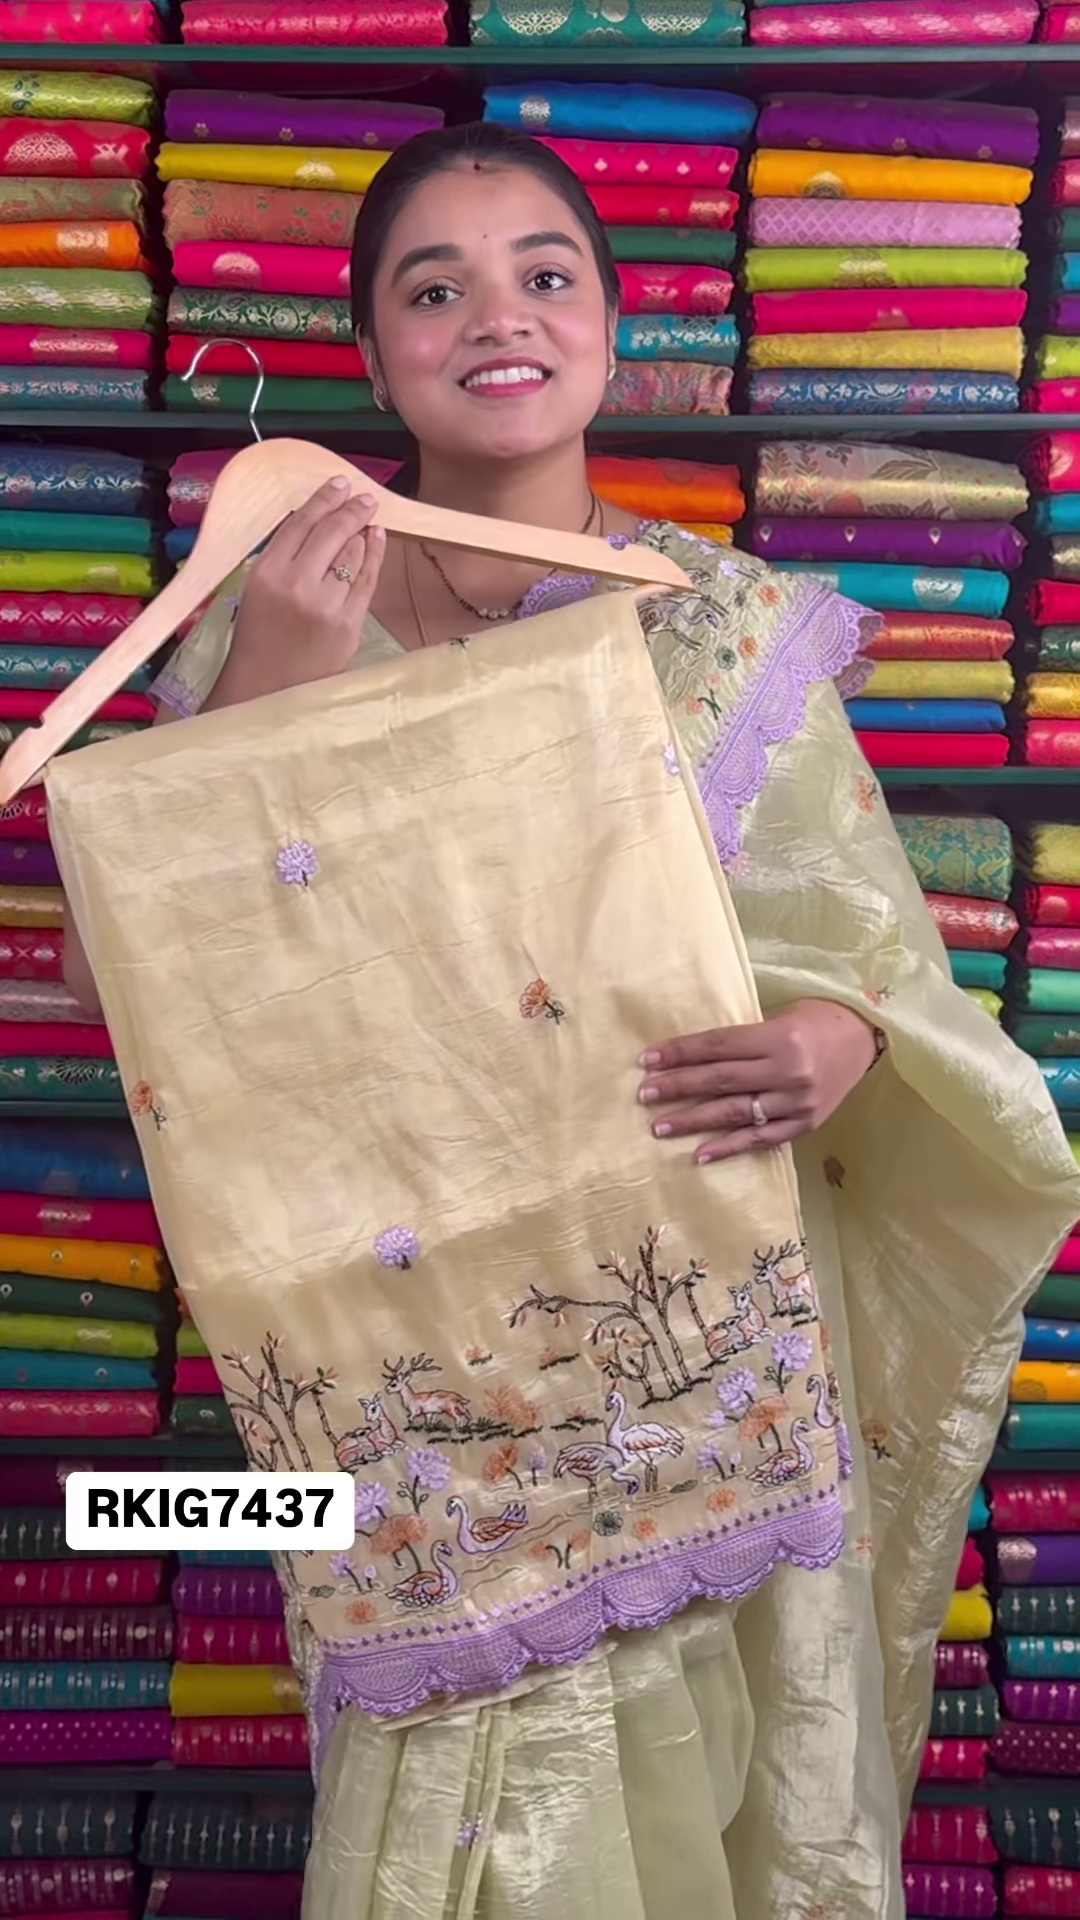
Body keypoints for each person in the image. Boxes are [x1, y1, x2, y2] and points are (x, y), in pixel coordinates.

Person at [63, 123, 1080, 1918]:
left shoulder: (722, 625)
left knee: (728, 1786)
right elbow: (124, 990)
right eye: (433, 288)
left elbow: (885, 964)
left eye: (544, 275)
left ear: (612, 322)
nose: (498, 317)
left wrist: (844, 1044)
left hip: (704, 1314)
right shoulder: (272, 618)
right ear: (372, 350)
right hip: (407, 1365)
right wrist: (275, 693)